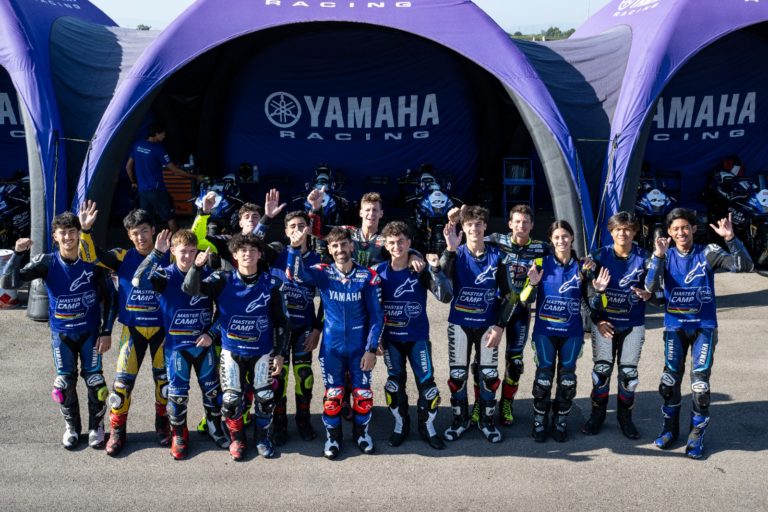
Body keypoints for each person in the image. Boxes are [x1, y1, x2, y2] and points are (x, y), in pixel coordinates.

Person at [1, 212, 116, 449]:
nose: (68, 237)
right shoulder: (46, 262)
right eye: (63, 233)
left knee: (96, 383)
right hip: (61, 335)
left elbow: (112, 298)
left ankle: (96, 427)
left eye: (72, 232)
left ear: (79, 234)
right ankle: (72, 428)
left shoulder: (93, 262)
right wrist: (18, 253)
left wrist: (106, 331)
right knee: (63, 384)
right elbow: (9, 282)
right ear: (55, 236)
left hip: (90, 334)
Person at [645, 208, 753, 459]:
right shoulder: (664, 254)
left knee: (700, 387)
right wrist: (658, 256)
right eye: (675, 229)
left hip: (704, 327)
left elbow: (744, 266)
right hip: (675, 327)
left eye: (685, 227)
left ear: (693, 228)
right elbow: (650, 287)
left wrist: (730, 238)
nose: (681, 232)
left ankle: (696, 436)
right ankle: (670, 430)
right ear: (669, 232)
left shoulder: (708, 252)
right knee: (669, 383)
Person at [182, 234, 288, 461]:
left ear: (259, 254)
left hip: (262, 352)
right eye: (243, 250)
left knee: (265, 398)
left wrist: (280, 354)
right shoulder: (222, 278)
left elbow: (282, 322)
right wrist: (197, 268)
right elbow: (191, 289)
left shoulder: (272, 284)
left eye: (252, 250)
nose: (248, 254)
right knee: (231, 401)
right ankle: (237, 439)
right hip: (231, 350)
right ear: (235, 255)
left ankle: (262, 439)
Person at [78, 203, 171, 456]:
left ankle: (163, 424)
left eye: (144, 231)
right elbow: (90, 257)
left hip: (163, 331)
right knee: (121, 387)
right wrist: (85, 230)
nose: (140, 237)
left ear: (153, 230)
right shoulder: (122, 256)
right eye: (135, 233)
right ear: (129, 235)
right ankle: (117, 431)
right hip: (133, 330)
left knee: (164, 384)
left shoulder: (170, 254)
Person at [286, 226, 384, 459]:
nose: (340, 250)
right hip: (332, 349)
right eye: (335, 246)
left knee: (363, 395)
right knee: (333, 396)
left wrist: (371, 349)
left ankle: (361, 434)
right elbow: (295, 275)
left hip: (360, 349)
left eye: (343, 244)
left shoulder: (368, 276)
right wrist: (294, 249)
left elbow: (377, 316)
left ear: (351, 246)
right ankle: (333, 438)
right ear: (329, 250)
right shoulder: (323, 272)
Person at [132, 229, 229, 459]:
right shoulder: (164, 275)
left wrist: (212, 334)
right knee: (176, 396)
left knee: (213, 392)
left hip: (203, 345)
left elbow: (227, 310)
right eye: (183, 251)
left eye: (192, 251)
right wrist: (156, 253)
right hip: (176, 348)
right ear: (173, 251)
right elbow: (137, 281)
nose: (187, 256)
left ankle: (215, 427)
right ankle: (179, 434)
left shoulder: (208, 275)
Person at [450, 204, 549, 427]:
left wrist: (587, 265)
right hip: (495, 309)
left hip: (520, 310)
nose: (521, 226)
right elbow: (472, 234)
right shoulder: (496, 240)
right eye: (517, 221)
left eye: (525, 222)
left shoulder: (541, 248)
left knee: (515, 363)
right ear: (510, 224)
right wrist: (455, 220)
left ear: (532, 225)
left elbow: (567, 254)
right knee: (482, 362)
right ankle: (480, 403)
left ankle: (506, 404)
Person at [527, 220, 610, 443]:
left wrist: (600, 292)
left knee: (567, 381)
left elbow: (593, 303)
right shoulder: (540, 263)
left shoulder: (584, 266)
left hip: (571, 333)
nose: (561, 240)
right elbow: (525, 298)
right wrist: (532, 284)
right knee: (543, 379)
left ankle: (560, 422)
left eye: (565, 236)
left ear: (572, 237)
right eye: (556, 237)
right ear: (551, 240)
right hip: (545, 331)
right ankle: (539, 421)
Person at [373, 221, 452, 450]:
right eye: (392, 242)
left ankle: (427, 428)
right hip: (391, 340)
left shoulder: (420, 269)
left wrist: (434, 269)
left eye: (401, 242)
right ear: (386, 245)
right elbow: (370, 309)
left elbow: (445, 297)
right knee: (394, 386)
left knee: (428, 388)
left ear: (409, 243)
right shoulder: (377, 272)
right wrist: (374, 339)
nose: (396, 246)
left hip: (418, 338)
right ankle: (401, 426)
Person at [440, 205, 514, 444]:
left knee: (489, 377)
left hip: (488, 326)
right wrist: (450, 250)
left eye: (478, 224)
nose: (474, 229)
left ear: (485, 227)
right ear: (464, 227)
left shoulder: (498, 256)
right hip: (459, 324)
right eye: (470, 224)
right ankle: (459, 420)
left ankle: (486, 421)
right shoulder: (456, 252)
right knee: (457, 376)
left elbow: (510, 295)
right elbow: (441, 281)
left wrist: (500, 326)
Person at [580, 211, 654, 439]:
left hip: (633, 324)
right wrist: (597, 320)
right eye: (618, 229)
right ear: (611, 232)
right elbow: (584, 294)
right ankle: (597, 416)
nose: (623, 233)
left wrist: (650, 294)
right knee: (601, 372)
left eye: (628, 229)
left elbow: (658, 290)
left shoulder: (645, 257)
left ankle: (625, 418)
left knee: (629, 375)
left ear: (634, 232)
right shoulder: (598, 256)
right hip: (605, 325)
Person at [268, 211, 323, 444]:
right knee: (277, 377)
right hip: (278, 329)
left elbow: (328, 299)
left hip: (304, 327)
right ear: (285, 230)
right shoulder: (274, 254)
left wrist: (317, 329)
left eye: (301, 225)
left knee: (304, 376)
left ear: (308, 229)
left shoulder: (319, 259)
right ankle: (279, 422)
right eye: (292, 226)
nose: (297, 230)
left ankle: (303, 420)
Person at [125, 122, 201, 232]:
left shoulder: (137, 145)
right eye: (163, 134)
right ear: (156, 133)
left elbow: (128, 167)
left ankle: (148, 241)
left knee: (144, 220)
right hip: (157, 191)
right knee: (170, 217)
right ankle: (179, 240)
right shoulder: (159, 150)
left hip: (142, 191)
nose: (164, 136)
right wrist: (195, 177)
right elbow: (175, 171)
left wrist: (134, 182)